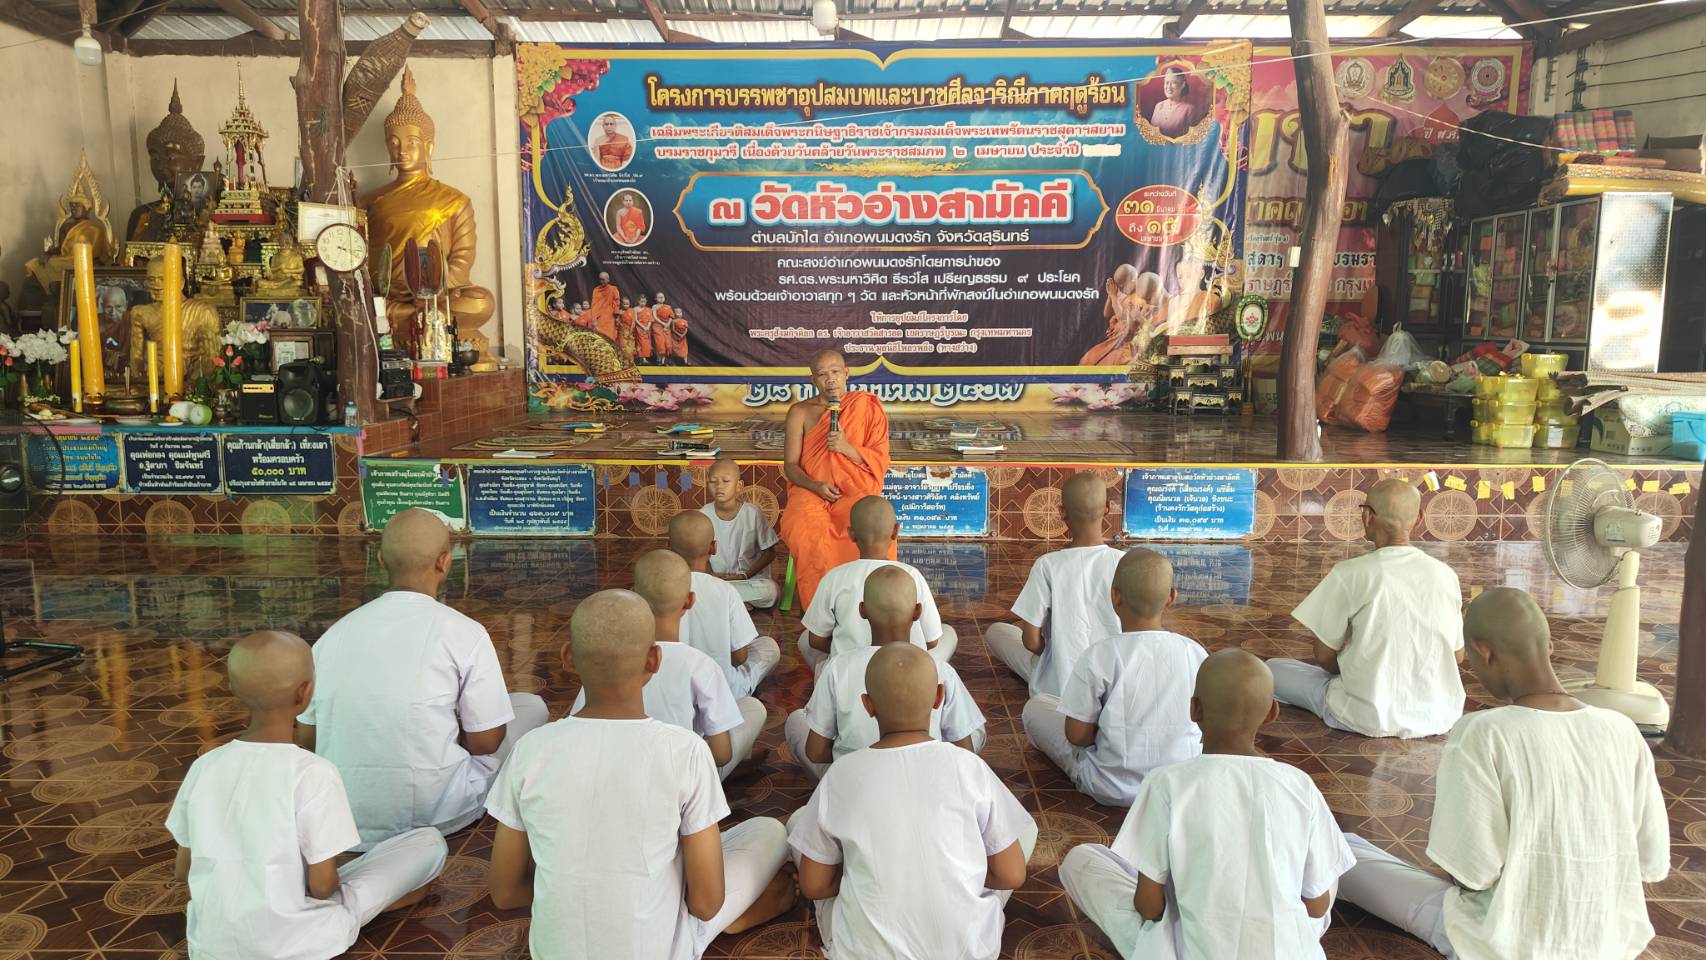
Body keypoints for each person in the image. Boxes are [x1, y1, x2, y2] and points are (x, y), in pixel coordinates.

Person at [1338, 588, 1670, 960]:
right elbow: (1650, 861)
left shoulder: (1485, 732)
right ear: (1548, 646)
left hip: (1504, 943)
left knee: (1341, 854)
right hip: (1610, 941)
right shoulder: (1622, 729)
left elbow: (1473, 873)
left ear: (1484, 650)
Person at [488, 591, 794, 960]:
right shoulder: (685, 751)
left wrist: (584, 898)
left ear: (568, 657)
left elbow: (505, 892)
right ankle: (734, 919)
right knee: (768, 831)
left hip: (554, 950)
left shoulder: (530, 750)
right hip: (658, 949)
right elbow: (705, 903)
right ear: (654, 659)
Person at [168, 631, 448, 960]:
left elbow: (183, 870)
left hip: (211, 944)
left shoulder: (205, 766)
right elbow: (322, 887)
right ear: (305, 693)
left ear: (234, 688)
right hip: (299, 941)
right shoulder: (312, 772)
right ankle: (374, 905)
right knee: (428, 844)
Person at [1061, 650, 1354, 959]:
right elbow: (1317, 906)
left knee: (1082, 859)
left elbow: (1149, 907)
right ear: (1272, 713)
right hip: (1289, 952)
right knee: (1329, 859)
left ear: (1194, 709)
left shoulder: (1167, 783)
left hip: (1188, 952)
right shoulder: (1300, 785)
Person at [297, 509, 549, 848]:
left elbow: (309, 737)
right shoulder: (464, 632)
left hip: (342, 815)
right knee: (531, 708)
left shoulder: (332, 637)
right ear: (444, 562)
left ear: (381, 560)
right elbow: (486, 743)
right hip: (441, 811)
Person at [787, 643, 1036, 960]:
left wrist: (862, 878)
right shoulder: (969, 765)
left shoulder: (841, 773)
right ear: (939, 697)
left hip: (866, 953)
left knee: (800, 825)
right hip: (967, 951)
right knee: (1021, 830)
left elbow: (814, 886)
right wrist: (957, 877)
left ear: (867, 705)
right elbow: (1011, 875)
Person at [1267, 478, 1466, 739]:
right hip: (1438, 715)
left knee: (1271, 669)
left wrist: (1353, 671)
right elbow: (1457, 656)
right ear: (1418, 519)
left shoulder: (1350, 573)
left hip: (1361, 715)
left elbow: (1324, 656)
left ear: (1367, 516)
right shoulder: (1445, 575)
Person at [1023, 548, 1208, 807]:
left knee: (1035, 707)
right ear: (1171, 597)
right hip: (1178, 786)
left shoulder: (1099, 654)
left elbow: (1077, 736)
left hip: (1109, 786)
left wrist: (1110, 732)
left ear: (1114, 596)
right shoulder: (1195, 653)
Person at [570, 550, 765, 780]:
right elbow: (721, 755)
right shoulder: (702, 666)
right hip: (682, 780)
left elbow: (579, 732)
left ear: (636, 595)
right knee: (753, 708)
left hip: (615, 776)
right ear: (690, 601)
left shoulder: (608, 664)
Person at [786, 564, 985, 779]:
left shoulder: (837, 667)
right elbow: (965, 751)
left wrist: (848, 757)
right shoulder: (939, 670)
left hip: (855, 781)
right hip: (925, 779)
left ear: (862, 611)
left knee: (796, 721)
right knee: (974, 729)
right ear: (918, 612)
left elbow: (815, 752)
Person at [987, 472, 1124, 698]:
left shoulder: (1048, 565)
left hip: (1057, 687)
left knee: (997, 632)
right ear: (1108, 508)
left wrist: (1056, 654)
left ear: (1061, 512)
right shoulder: (1124, 562)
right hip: (1113, 685)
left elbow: (1031, 641)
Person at [780, 349, 892, 612]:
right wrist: (815, 486)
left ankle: (868, 601)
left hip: (853, 489)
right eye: (822, 374)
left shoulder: (865, 406)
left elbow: (880, 459)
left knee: (872, 525)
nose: (830, 379)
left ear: (846, 374)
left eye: (835, 372)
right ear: (813, 380)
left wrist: (846, 447)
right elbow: (790, 466)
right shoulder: (799, 412)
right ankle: (820, 609)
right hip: (811, 490)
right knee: (805, 528)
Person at [800, 495, 956, 674]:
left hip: (850, 671)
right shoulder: (912, 575)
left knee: (805, 638)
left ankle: (828, 676)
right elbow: (932, 641)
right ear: (895, 531)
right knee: (947, 633)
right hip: (907, 671)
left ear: (851, 534)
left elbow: (815, 640)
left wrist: (843, 652)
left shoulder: (834, 577)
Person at [668, 511, 781, 698]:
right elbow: (740, 658)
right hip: (722, 690)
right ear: (713, 548)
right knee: (768, 647)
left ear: (669, 547)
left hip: (675, 686)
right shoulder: (726, 591)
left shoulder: (658, 588)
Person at [699, 459, 781, 608]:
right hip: (717, 580)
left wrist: (745, 575)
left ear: (739, 486)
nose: (719, 486)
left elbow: (770, 553)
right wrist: (712, 576)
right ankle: (737, 601)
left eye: (725, 481)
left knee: (771, 591)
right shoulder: (704, 514)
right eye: (713, 481)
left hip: (749, 580)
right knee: (690, 585)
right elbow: (699, 553)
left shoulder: (752, 513)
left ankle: (723, 600)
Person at [1149, 65, 1202, 137]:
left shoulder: (1189, 109)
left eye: (1174, 83)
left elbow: (1190, 138)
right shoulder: (1158, 106)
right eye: (1167, 83)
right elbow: (1151, 134)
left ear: (1182, 85)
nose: (1169, 87)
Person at [588, 270, 621, 342]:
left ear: (608, 280)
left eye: (603, 280)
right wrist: (594, 319)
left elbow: (617, 302)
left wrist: (617, 316)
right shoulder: (596, 290)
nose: (601, 281)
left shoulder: (613, 289)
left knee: (609, 337)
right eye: (600, 279)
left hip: (610, 317)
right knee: (599, 338)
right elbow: (594, 304)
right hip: (599, 318)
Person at [632, 294, 655, 364]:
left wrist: (647, 327)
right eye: (641, 302)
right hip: (639, 328)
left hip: (647, 329)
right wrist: (643, 327)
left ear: (646, 301)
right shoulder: (635, 309)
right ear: (638, 301)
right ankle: (640, 358)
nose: (643, 303)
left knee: (646, 344)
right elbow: (635, 320)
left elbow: (650, 320)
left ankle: (645, 358)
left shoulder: (649, 310)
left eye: (644, 302)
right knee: (640, 343)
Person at [652, 292, 675, 363]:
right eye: (659, 297)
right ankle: (658, 359)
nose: (661, 298)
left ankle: (663, 361)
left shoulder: (668, 307)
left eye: (663, 297)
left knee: (668, 344)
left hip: (667, 327)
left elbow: (671, 316)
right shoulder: (654, 306)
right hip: (657, 326)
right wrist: (663, 324)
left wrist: (667, 324)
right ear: (656, 299)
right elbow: (655, 317)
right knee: (660, 343)